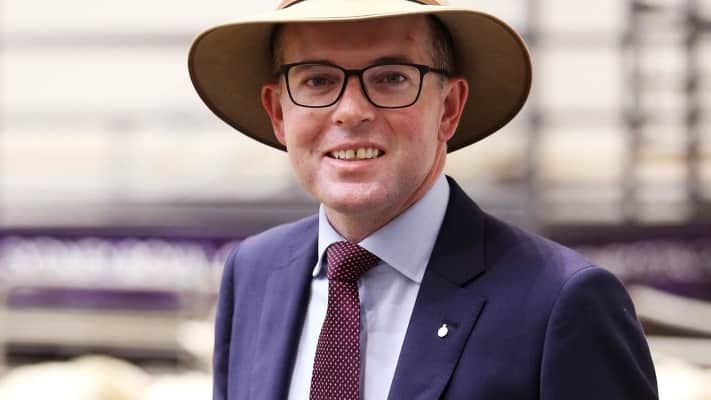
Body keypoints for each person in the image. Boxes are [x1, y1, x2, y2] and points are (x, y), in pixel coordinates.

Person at [188, 1, 658, 399]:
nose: (351, 111)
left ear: (449, 108)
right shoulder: (252, 274)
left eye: (391, 77)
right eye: (317, 81)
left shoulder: (562, 302)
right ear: (277, 113)